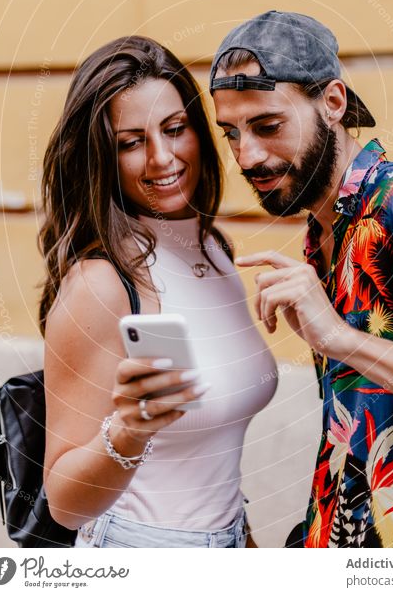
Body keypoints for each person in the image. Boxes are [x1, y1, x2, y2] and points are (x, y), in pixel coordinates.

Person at [209, 9, 393, 548]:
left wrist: (341, 340)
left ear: (334, 103)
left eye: (268, 126)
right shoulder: (324, 231)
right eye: (232, 133)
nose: (247, 156)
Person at [41, 35, 277, 549]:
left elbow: (212, 461)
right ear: (100, 156)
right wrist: (129, 431)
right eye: (130, 142)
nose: (161, 158)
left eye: (175, 129)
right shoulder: (101, 284)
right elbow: (62, 503)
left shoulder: (212, 247)